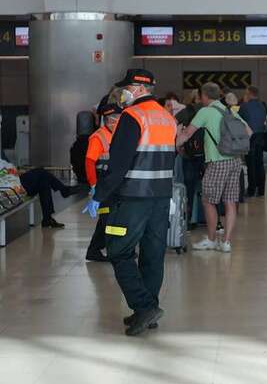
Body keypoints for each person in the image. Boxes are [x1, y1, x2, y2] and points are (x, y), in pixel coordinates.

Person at [88, 69, 177, 336]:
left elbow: (118, 164)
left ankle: (144, 305)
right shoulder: (166, 117)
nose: (123, 93)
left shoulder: (132, 116)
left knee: (118, 251)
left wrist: (98, 194)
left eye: (125, 88)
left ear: (137, 89)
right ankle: (147, 311)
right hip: (160, 197)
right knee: (152, 255)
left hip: (133, 198)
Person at [178, 82, 249, 253]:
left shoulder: (205, 111)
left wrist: (171, 145)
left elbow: (187, 134)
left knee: (208, 200)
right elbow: (249, 131)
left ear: (204, 96)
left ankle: (211, 239)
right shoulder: (228, 110)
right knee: (230, 201)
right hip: (235, 160)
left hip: (217, 161)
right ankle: (226, 242)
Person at [84, 102, 123, 262]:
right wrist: (93, 186)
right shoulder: (98, 137)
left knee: (108, 218)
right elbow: (89, 162)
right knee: (107, 218)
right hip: (102, 183)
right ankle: (111, 251)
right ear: (111, 120)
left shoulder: (117, 134)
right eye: (119, 119)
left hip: (112, 183)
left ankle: (95, 250)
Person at [238, 86, 267, 198]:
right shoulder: (262, 105)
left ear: (249, 94)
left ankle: (251, 190)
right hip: (260, 137)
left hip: (249, 138)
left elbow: (238, 120)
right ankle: (261, 190)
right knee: (260, 164)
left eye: (246, 94)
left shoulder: (244, 106)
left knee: (251, 164)